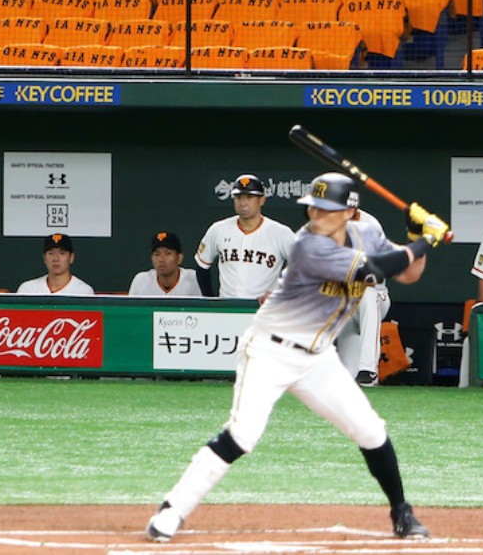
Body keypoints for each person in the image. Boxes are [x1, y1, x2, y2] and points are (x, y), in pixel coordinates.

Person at [147, 173, 448, 542]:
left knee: (370, 429)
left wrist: (417, 237)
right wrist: (430, 238)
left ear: (350, 211)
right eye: (313, 207)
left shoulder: (368, 231)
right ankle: (172, 510)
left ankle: (403, 514)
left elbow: (409, 272)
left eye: (326, 209)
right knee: (243, 435)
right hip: (270, 350)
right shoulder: (308, 244)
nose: (316, 215)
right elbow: (375, 269)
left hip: (318, 358)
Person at [195, 173, 297, 302]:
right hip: (227, 310)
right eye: (238, 197)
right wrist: (210, 302)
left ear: (261, 200)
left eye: (249, 197)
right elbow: (202, 266)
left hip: (264, 310)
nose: (243, 203)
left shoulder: (280, 233)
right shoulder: (218, 229)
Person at [338, 206, 393, 386]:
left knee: (366, 292)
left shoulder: (370, 225)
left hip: (374, 299)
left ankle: (368, 367)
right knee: (349, 383)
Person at [130, 230, 206, 297]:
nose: (161, 259)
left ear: (179, 258)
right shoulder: (141, 281)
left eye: (168, 253)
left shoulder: (195, 279)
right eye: (157, 254)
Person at [18, 233, 95, 296]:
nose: (56, 259)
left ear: (71, 257)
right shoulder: (27, 289)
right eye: (51, 253)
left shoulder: (83, 291)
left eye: (62, 253)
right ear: (44, 258)